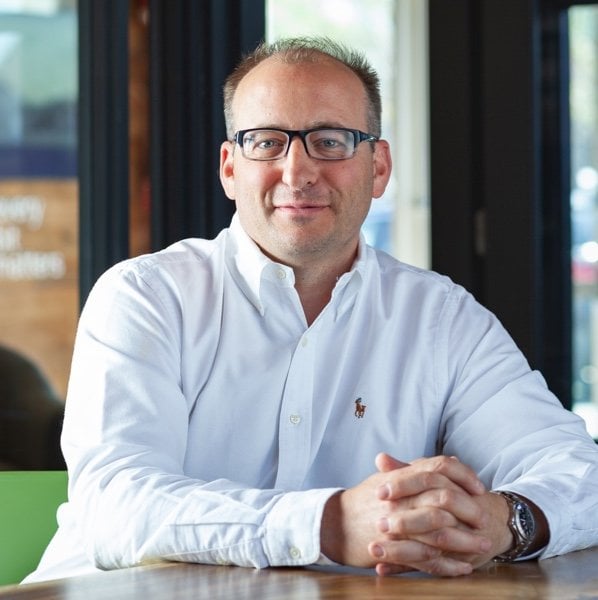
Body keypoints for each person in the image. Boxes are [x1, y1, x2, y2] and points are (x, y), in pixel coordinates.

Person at [24, 36, 598, 583]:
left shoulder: (441, 318)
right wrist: (326, 525)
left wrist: (506, 521)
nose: (297, 172)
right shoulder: (147, 297)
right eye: (266, 142)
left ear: (378, 168)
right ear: (231, 168)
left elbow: (579, 473)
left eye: (330, 140)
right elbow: (117, 504)